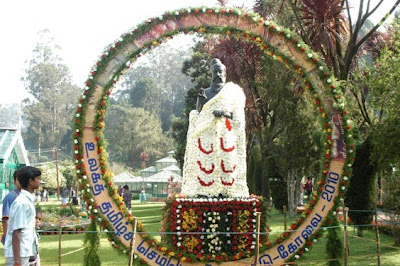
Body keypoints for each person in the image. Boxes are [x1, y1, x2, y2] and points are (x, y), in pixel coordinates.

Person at [182, 58, 249, 198]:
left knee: (227, 164)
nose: (218, 74)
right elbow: (198, 115)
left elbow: (237, 117)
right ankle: (205, 192)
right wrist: (201, 106)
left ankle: (225, 191)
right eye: (215, 72)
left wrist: (223, 114)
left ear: (225, 74)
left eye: (221, 72)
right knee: (206, 165)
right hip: (206, 137)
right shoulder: (204, 93)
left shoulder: (232, 93)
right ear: (211, 74)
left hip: (226, 136)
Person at [4, 166, 41, 266]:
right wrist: (17, 261)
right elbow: (16, 232)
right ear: (31, 181)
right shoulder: (22, 203)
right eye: (38, 179)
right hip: (19, 254)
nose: (39, 182)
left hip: (25, 251)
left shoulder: (27, 200)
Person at [1, 172, 21, 245]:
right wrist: (7, 239)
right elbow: (6, 219)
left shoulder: (28, 197)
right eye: (19, 180)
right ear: (15, 181)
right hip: (13, 238)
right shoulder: (10, 197)